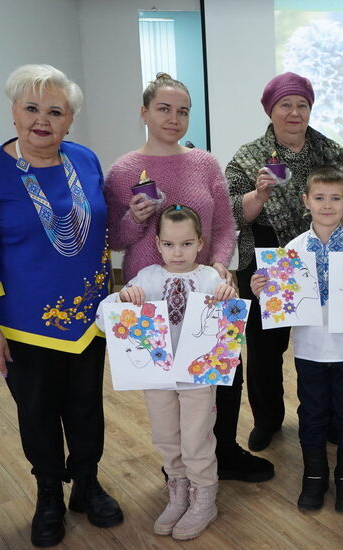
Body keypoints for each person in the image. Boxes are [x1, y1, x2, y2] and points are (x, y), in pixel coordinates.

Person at [0, 64, 122, 547]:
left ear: (70, 120)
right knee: (38, 411)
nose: (42, 120)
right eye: (31, 108)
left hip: (88, 319)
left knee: (86, 407)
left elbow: (100, 227)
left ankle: (86, 484)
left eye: (55, 111)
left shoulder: (84, 159)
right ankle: (48, 492)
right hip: (25, 324)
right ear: (13, 112)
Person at [104, 73, 272, 482]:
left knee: (223, 373)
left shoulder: (205, 163)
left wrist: (219, 263)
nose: (173, 118)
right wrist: (135, 218)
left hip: (207, 289)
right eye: (163, 109)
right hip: (151, 298)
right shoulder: (124, 169)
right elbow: (114, 238)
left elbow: (226, 225)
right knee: (166, 389)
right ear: (144, 112)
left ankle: (222, 452)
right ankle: (178, 466)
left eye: (183, 111)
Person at [226, 72, 343, 452]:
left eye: (302, 105)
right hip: (269, 255)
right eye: (285, 105)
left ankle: (333, 418)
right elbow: (234, 211)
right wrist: (259, 195)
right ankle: (267, 420)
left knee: (328, 339)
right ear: (270, 110)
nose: (294, 112)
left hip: (325, 253)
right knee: (264, 348)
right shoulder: (248, 156)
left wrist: (338, 227)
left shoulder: (330, 151)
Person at [251, 167, 343, 513]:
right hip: (309, 352)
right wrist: (263, 292)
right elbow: (282, 302)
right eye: (319, 198)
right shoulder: (292, 249)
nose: (327, 205)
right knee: (312, 415)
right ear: (306, 201)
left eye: (335, 198)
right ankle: (314, 476)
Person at [97, 205, 234, 539]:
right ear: (158, 244)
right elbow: (104, 320)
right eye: (170, 244)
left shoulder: (211, 278)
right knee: (166, 435)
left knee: (196, 437)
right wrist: (121, 299)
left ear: (200, 243)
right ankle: (178, 490)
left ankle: (204, 497)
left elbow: (231, 319)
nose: (178, 252)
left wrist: (229, 295)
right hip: (156, 377)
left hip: (197, 378)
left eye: (186, 244)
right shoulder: (146, 278)